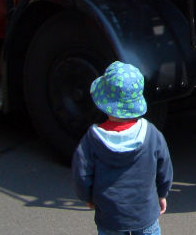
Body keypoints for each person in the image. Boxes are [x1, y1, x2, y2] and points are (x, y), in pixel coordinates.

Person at [72, 61, 174, 235]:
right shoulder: (151, 134)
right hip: (146, 215)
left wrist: (88, 197)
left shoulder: (92, 139)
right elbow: (164, 168)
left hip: (110, 220)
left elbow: (81, 174)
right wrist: (162, 193)